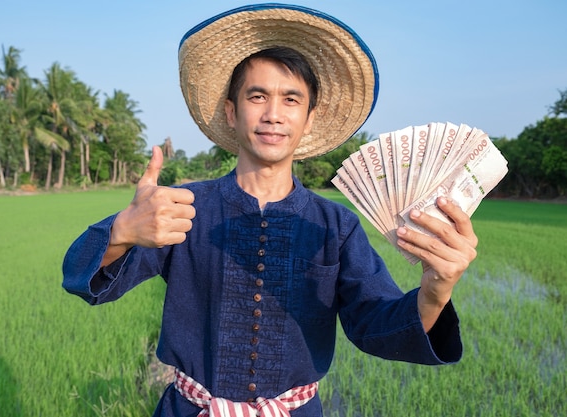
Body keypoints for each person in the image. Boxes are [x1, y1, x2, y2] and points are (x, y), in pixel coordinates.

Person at [62, 4, 478, 416]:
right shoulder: (184, 209)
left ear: (310, 117)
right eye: (257, 96)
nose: (273, 115)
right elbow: (87, 282)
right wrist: (120, 231)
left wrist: (435, 289)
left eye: (291, 99)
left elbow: (375, 325)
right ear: (232, 111)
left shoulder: (337, 227)